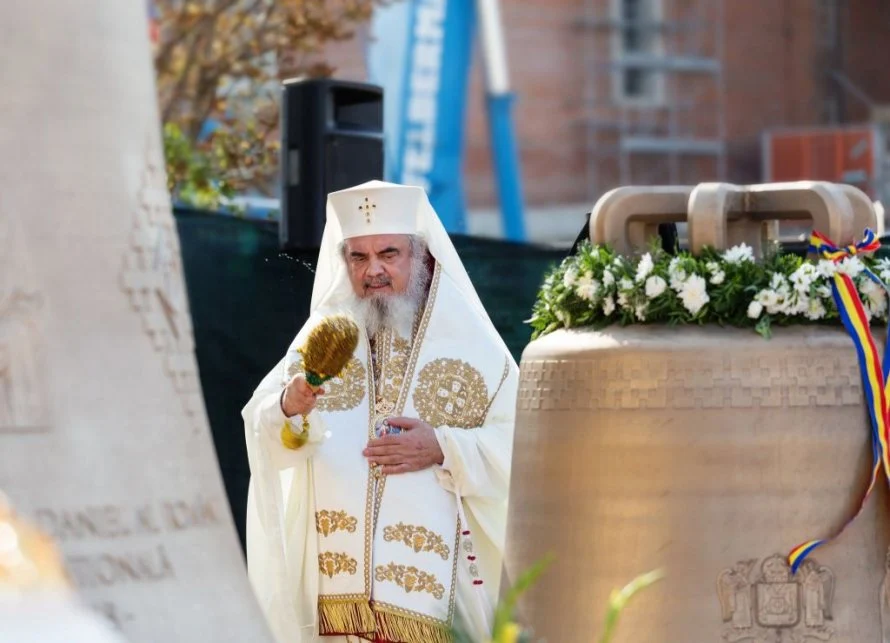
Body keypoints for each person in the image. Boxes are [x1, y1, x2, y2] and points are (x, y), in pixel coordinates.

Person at [242, 180, 519, 643]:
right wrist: (289, 407)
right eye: (358, 257)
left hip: (435, 602)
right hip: (335, 602)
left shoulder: (472, 342)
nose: (373, 270)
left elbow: (525, 448)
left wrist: (443, 446)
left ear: (420, 257)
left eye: (388, 254)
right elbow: (262, 427)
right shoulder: (323, 335)